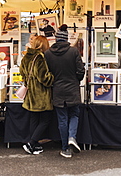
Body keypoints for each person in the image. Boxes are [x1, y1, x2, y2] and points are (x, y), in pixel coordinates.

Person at [45, 24, 85, 158]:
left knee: (62, 119)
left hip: (57, 90)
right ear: (66, 38)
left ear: (56, 39)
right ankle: (72, 137)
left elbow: (47, 73)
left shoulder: (48, 53)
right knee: (74, 114)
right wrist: (76, 79)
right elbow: (81, 71)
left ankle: (65, 148)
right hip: (72, 88)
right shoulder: (74, 52)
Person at [19, 35, 54, 155]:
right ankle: (31, 143)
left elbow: (22, 74)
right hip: (41, 94)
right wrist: (53, 78)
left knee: (34, 119)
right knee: (45, 119)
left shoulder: (26, 57)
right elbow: (44, 78)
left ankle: (35, 145)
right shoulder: (39, 58)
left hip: (31, 93)